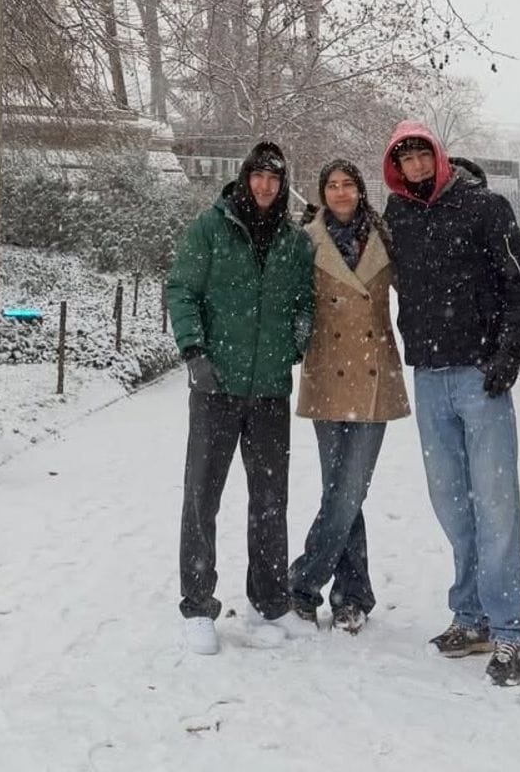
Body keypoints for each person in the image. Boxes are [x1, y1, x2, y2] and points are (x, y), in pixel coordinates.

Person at [382, 121, 520, 687]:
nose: (415, 163)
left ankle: (508, 629)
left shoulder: (487, 209)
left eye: (421, 152)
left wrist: (506, 358)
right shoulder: (397, 217)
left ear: (438, 156)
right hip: (429, 377)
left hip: (480, 378)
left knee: (496, 506)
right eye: (404, 156)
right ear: (395, 166)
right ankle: (470, 616)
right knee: (452, 503)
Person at [167, 139, 316, 655]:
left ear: (283, 183)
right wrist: (194, 352)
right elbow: (181, 288)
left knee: (271, 501)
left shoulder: (294, 242)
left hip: (270, 390)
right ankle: (197, 605)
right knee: (202, 497)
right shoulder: (212, 228)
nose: (266, 186)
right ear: (245, 177)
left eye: (275, 178)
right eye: (258, 176)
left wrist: (296, 341)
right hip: (216, 388)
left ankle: (269, 602)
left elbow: (304, 303)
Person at [290, 158, 409, 633]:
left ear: (360, 191)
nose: (340, 193)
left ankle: (302, 581)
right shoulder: (304, 241)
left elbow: (420, 286)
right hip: (327, 373)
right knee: (341, 492)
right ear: (322, 194)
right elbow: (290, 297)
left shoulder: (385, 238)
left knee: (348, 488)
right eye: (331, 186)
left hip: (374, 373)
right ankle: (351, 596)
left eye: (348, 185)